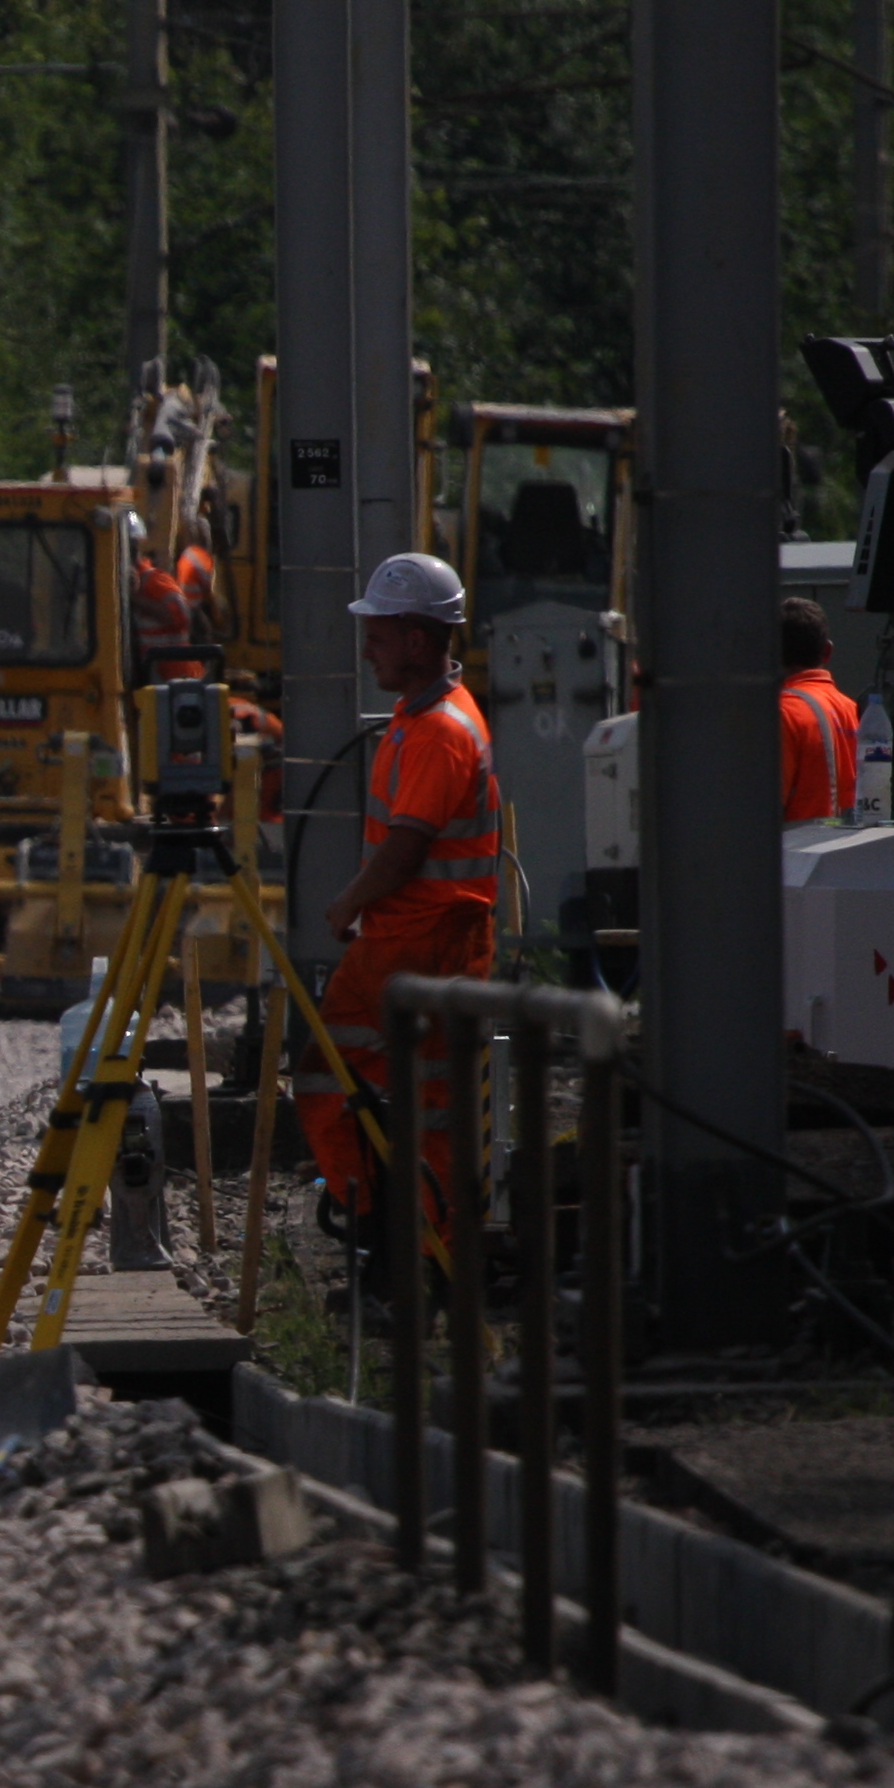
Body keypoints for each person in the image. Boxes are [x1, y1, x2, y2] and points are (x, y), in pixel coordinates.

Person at [296, 550, 500, 1291]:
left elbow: (407, 847)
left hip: (426, 940)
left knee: (380, 1093)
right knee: (402, 1098)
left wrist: (350, 899)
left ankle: (407, 1254)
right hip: (417, 939)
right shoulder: (426, 721)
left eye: (378, 633)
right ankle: (399, 1246)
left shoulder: (440, 731)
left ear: (418, 639)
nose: (367, 646)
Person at [781, 597, 861, 826]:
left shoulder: (782, 713)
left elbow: (761, 809)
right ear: (827, 651)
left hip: (795, 855)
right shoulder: (852, 709)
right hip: (846, 851)